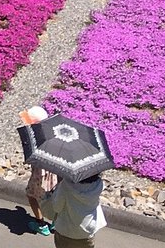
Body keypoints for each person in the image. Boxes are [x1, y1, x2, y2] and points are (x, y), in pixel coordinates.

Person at [39, 173, 106, 248]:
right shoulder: (98, 184)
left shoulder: (66, 185)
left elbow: (57, 207)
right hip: (87, 231)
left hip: (66, 230)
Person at [21, 106, 59, 237]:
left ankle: (41, 224)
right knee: (55, 199)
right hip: (55, 174)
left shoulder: (35, 137)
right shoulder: (54, 134)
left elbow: (31, 159)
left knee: (32, 196)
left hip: (40, 175)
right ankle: (56, 222)